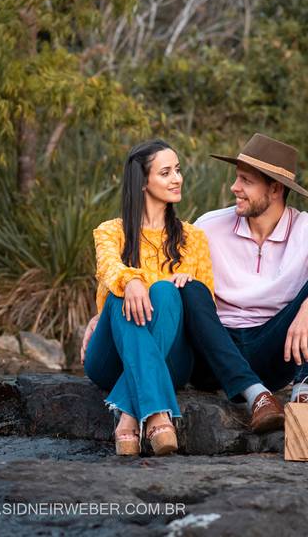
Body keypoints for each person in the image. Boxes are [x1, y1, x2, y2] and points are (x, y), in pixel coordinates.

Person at [179, 132, 308, 433]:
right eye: (236, 178)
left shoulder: (305, 228)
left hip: (275, 352)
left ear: (275, 188)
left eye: (246, 180)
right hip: (214, 354)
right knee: (187, 288)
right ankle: (257, 397)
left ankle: (306, 392)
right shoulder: (209, 225)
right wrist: (107, 310)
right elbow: (161, 273)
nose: (235, 187)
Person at [81, 140, 214, 456]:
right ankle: (155, 412)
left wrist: (178, 285)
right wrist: (132, 282)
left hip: (172, 359)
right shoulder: (109, 232)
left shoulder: (193, 238)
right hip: (110, 358)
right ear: (142, 182)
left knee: (166, 292)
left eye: (178, 170)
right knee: (119, 295)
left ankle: (129, 414)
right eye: (166, 172)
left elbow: (207, 301)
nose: (177, 179)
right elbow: (110, 269)